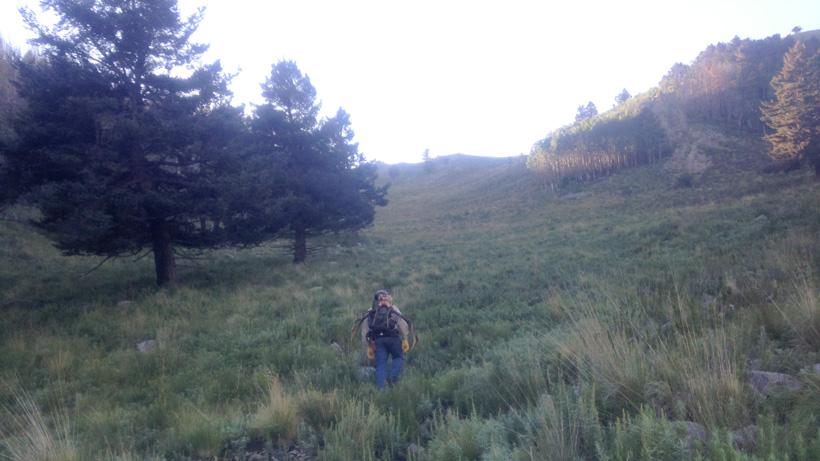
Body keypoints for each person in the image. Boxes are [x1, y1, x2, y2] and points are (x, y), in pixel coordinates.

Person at [352, 290, 416, 389]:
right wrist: (405, 338)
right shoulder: (392, 308)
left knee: (380, 365)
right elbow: (402, 324)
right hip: (393, 338)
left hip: (378, 341)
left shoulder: (371, 311)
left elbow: (365, 331)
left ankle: (381, 390)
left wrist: (368, 346)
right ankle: (392, 378)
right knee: (398, 357)